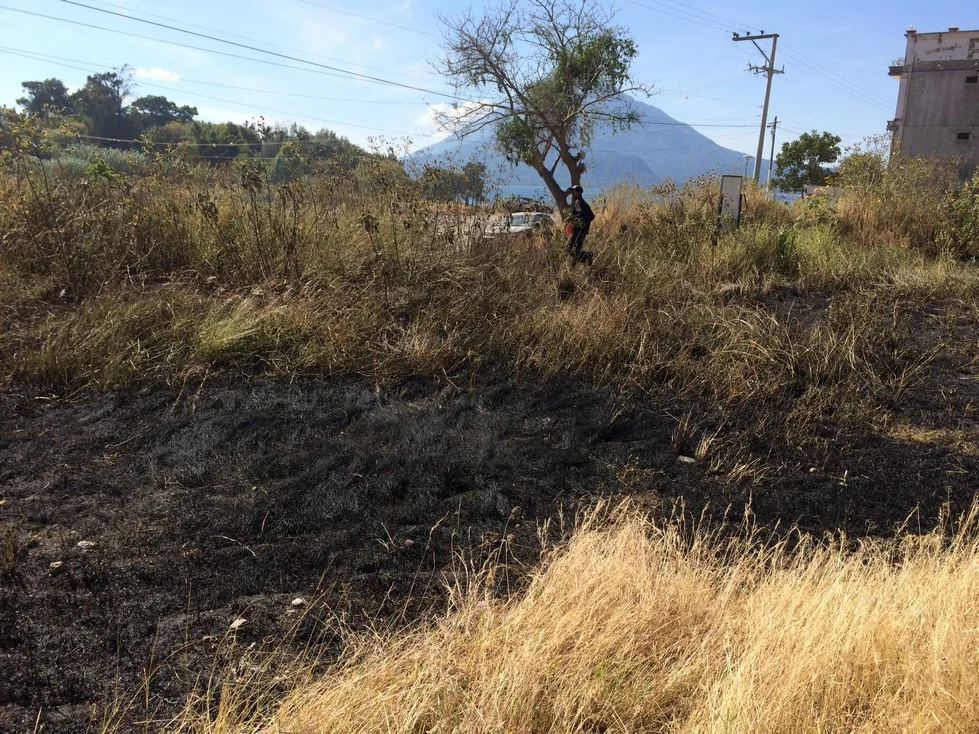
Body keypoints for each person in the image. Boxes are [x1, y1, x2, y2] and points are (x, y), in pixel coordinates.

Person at [565, 184, 595, 266]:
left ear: (579, 192)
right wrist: (585, 226)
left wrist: (573, 221)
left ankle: (586, 255)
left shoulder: (577, 202)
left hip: (576, 231)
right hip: (583, 231)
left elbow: (579, 215)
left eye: (574, 191)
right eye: (572, 191)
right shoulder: (584, 203)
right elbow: (592, 216)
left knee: (567, 249)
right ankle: (572, 269)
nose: (573, 193)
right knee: (576, 250)